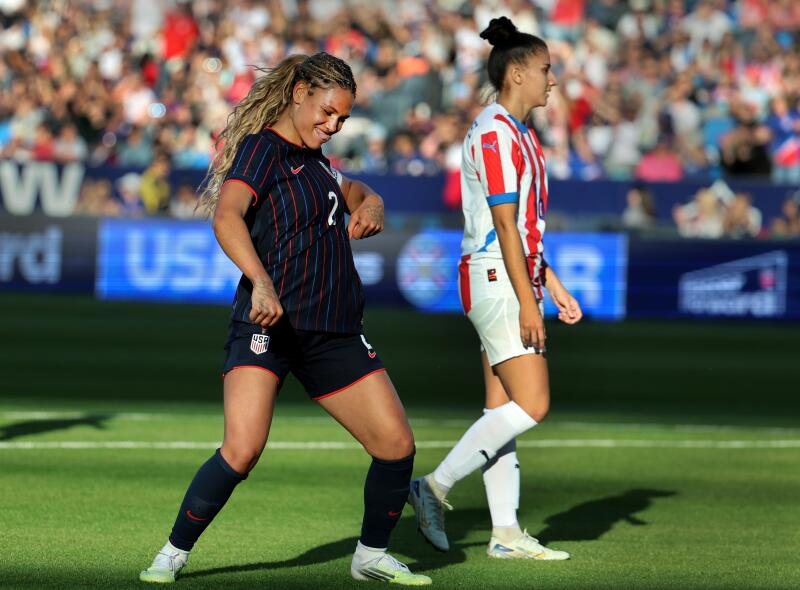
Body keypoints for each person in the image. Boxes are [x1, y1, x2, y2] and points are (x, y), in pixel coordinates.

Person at [139, 52, 431, 586]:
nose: (333, 125)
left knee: (396, 447)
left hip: (333, 328)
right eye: (326, 112)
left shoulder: (320, 165)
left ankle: (370, 556)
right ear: (299, 93)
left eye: (342, 118)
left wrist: (374, 201)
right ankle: (172, 553)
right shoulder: (262, 150)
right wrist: (263, 281)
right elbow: (226, 217)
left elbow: (354, 191)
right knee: (242, 450)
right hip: (267, 325)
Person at [407, 17, 583, 561]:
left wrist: (550, 282)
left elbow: (522, 225)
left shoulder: (519, 133)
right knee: (533, 404)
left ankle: (505, 533)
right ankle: (432, 485)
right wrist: (530, 299)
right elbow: (503, 226)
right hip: (497, 278)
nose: (552, 81)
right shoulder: (496, 133)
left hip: (509, 276)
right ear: (515, 74)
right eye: (546, 70)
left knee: (500, 407)